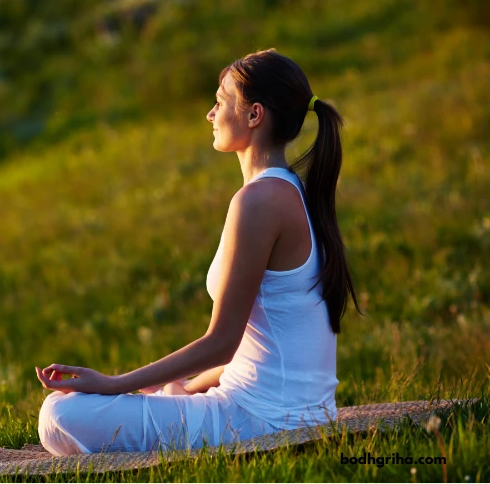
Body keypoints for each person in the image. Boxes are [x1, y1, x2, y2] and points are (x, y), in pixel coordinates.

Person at [36, 48, 362, 456]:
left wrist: (115, 383)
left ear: (254, 115)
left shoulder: (259, 203)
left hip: (263, 422)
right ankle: (178, 397)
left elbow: (222, 342)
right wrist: (186, 388)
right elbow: (256, 347)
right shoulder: (288, 191)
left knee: (59, 415)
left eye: (220, 102)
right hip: (281, 412)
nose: (210, 114)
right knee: (99, 404)